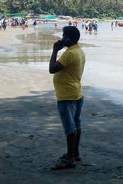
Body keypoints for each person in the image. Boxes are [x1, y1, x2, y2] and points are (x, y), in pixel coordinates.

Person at [49, 26, 86, 169]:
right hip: (76, 93)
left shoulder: (69, 54)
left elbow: (52, 69)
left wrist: (54, 51)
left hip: (67, 95)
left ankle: (70, 158)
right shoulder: (79, 51)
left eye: (64, 36)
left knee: (70, 127)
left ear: (69, 38)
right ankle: (75, 153)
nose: (61, 38)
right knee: (76, 124)